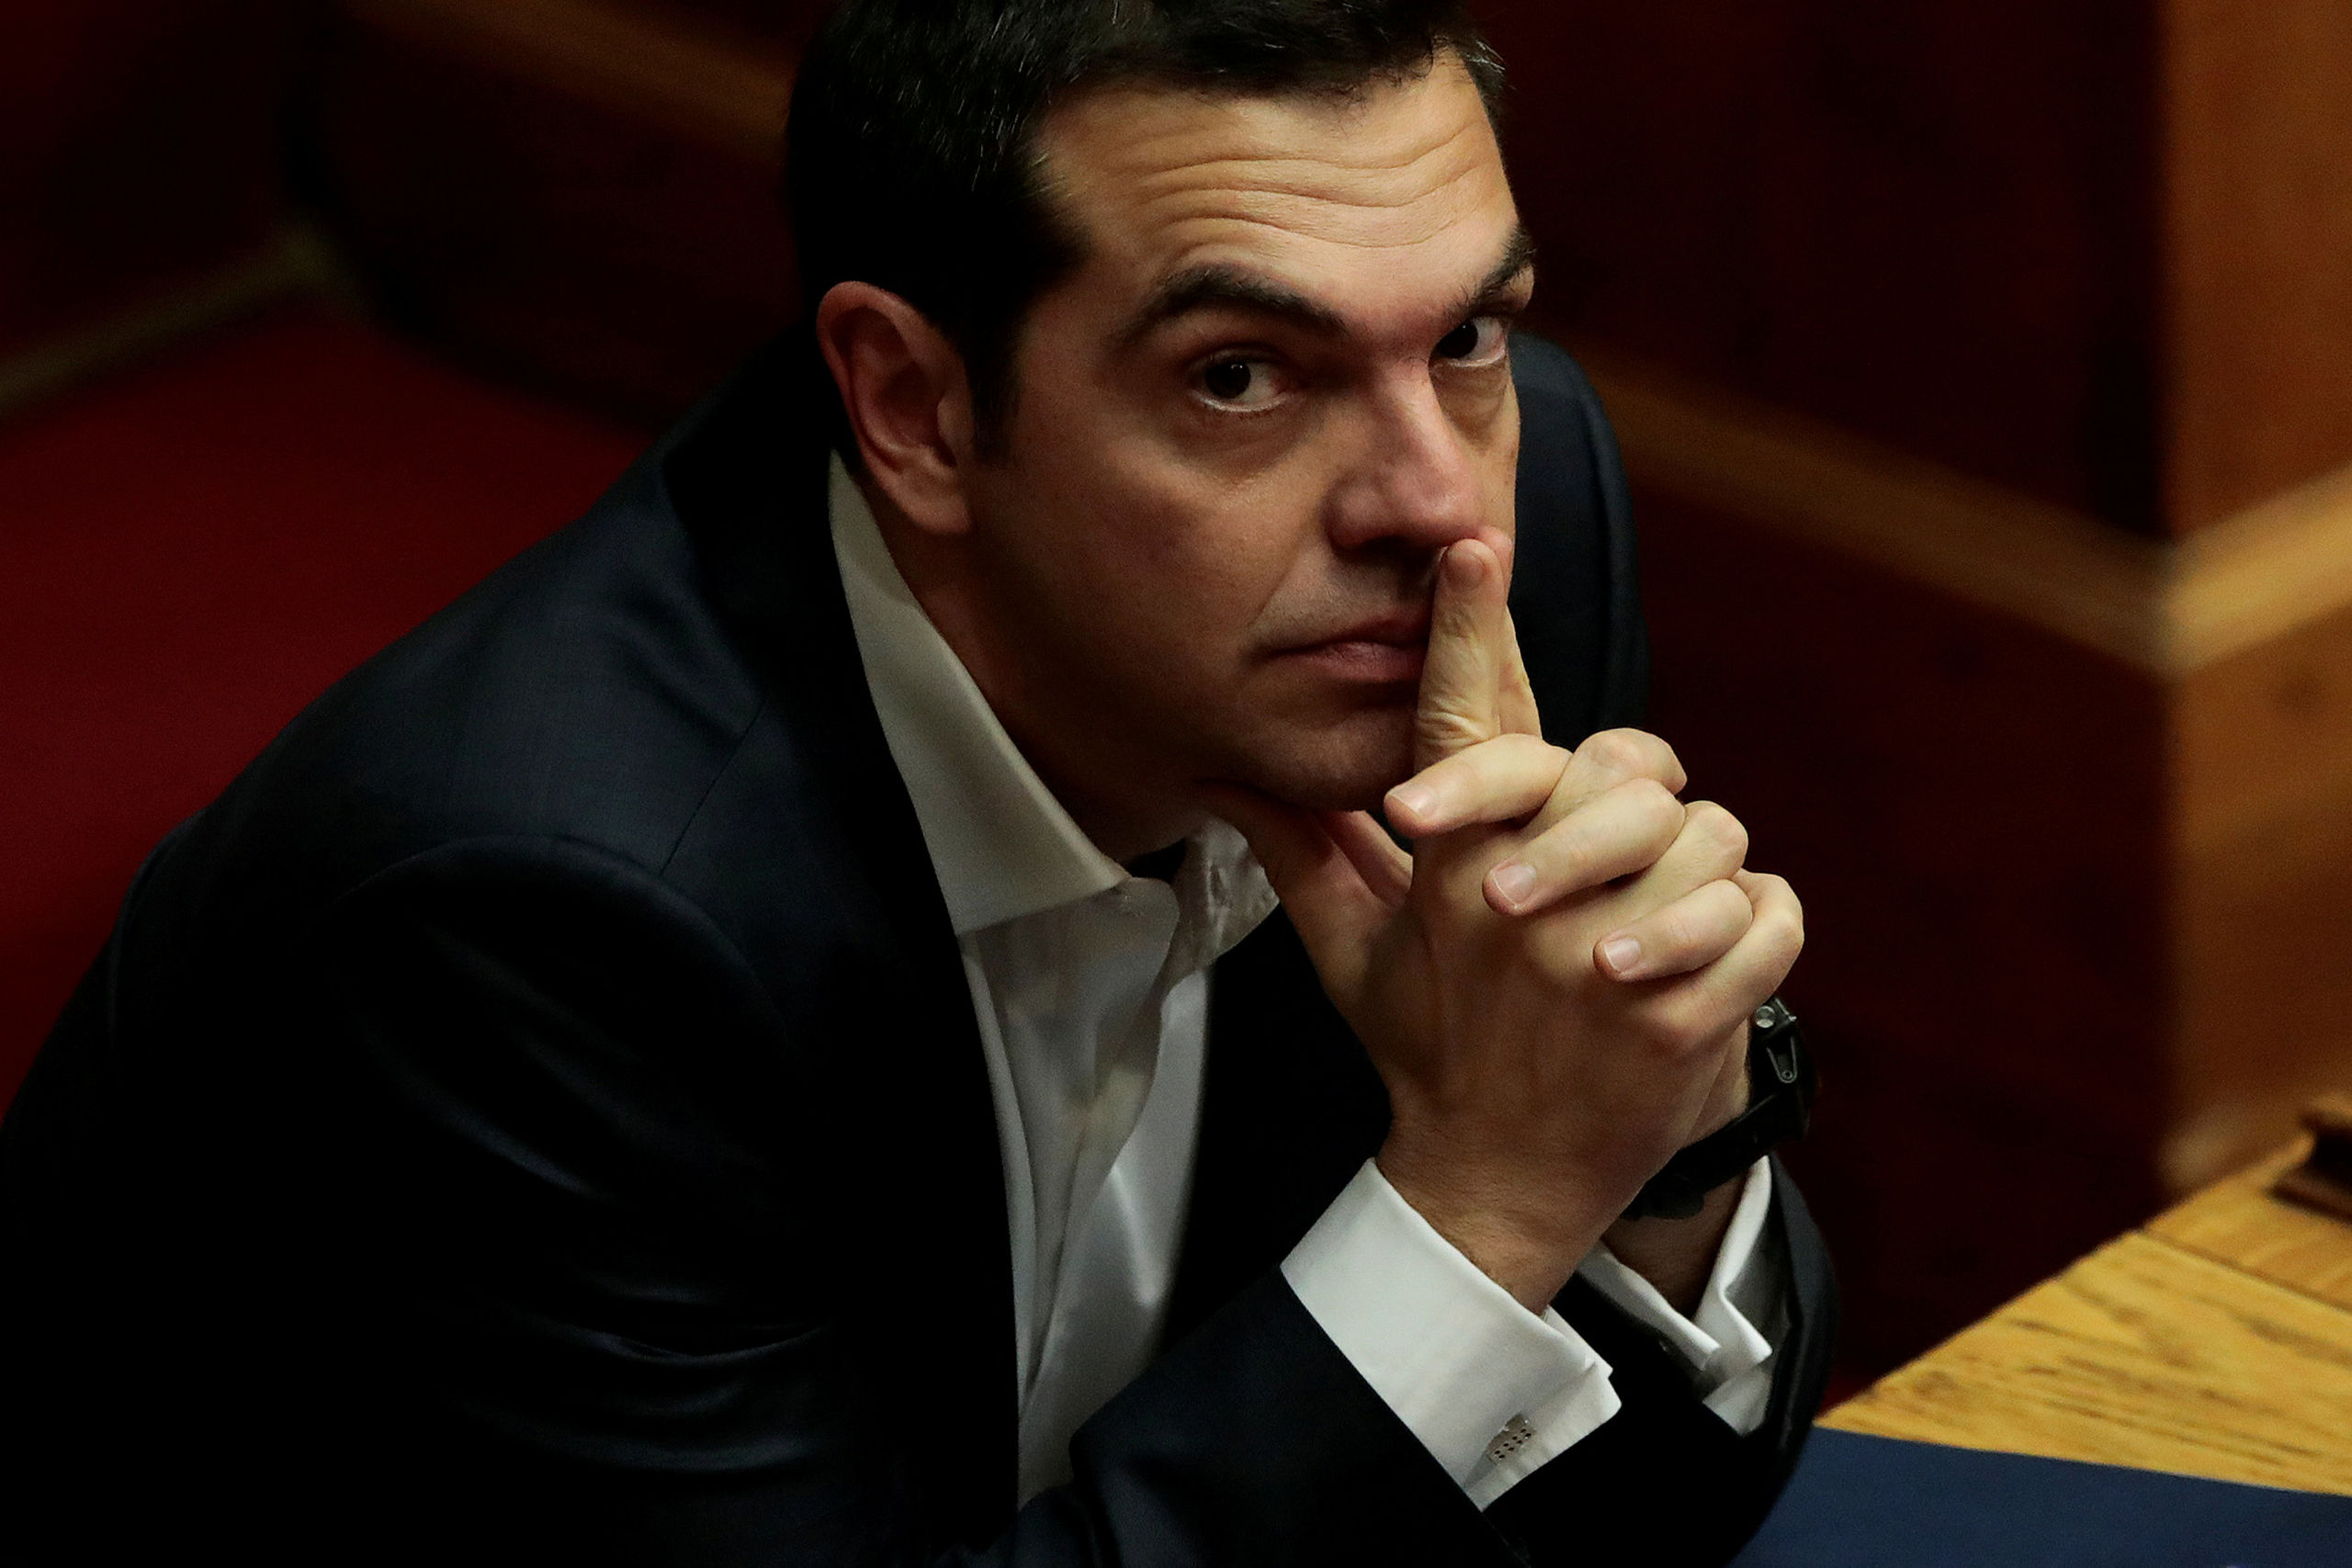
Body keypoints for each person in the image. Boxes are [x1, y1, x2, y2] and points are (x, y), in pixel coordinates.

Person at [0, 1, 1834, 1562]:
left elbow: (1628, 1517)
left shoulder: (1491, 552)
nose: (1434, 502)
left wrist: (1654, 1141)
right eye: (1237, 376)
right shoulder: (536, 917)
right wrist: (1487, 1206)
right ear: (912, 403)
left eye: (1463, 335)